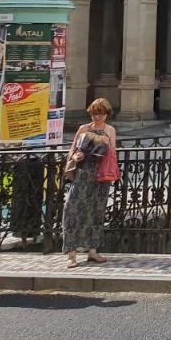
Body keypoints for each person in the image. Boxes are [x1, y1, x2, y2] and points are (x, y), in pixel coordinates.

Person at [63, 98, 119, 268]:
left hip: (101, 175)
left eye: (101, 114)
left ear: (107, 114)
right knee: (72, 208)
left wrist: (107, 145)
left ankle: (93, 250)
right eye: (94, 113)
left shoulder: (110, 130)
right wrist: (75, 157)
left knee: (97, 211)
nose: (97, 117)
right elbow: (72, 150)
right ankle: (71, 253)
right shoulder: (84, 129)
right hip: (83, 173)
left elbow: (113, 154)